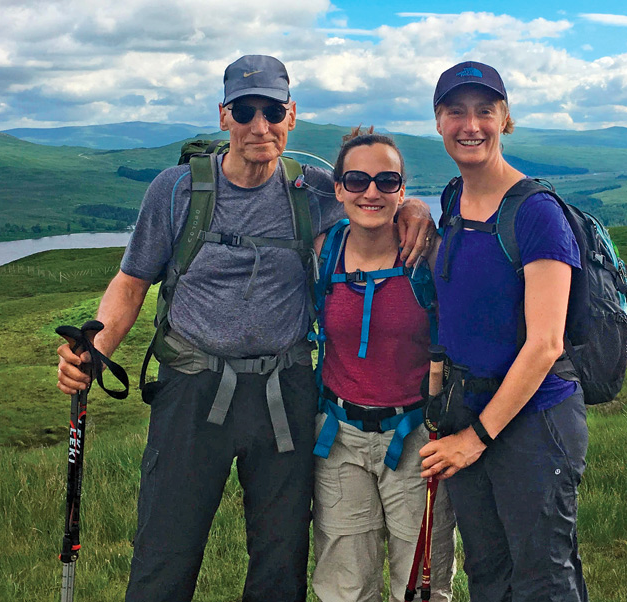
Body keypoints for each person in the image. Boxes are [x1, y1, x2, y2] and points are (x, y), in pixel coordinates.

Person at [55, 55, 434, 602]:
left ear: (292, 115)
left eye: (273, 110)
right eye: (246, 111)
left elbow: (373, 196)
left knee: (280, 559)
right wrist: (95, 350)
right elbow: (132, 282)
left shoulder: (318, 191)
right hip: (191, 389)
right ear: (224, 115)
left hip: (284, 392)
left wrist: (414, 207)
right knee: (166, 549)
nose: (260, 125)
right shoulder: (176, 189)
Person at [418, 62, 589, 602]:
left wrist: (475, 440)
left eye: (484, 111)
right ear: (439, 122)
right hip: (465, 409)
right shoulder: (451, 199)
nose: (471, 125)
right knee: (488, 572)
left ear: (505, 119)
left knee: (542, 579)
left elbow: (545, 343)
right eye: (455, 112)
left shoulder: (536, 213)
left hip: (534, 422)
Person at [310, 128, 455, 602]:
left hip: (418, 438)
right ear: (338, 190)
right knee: (344, 589)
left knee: (420, 586)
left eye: (386, 181)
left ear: (402, 190)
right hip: (339, 439)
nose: (371, 192)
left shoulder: (427, 257)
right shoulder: (322, 253)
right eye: (356, 180)